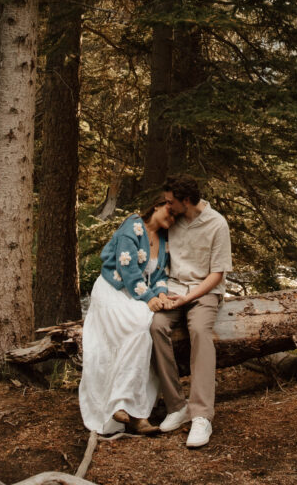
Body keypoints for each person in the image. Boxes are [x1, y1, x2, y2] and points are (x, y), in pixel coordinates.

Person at [79, 196, 174, 436]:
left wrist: (161, 293)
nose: (171, 219)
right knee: (139, 325)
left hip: (136, 295)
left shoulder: (163, 240)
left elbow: (160, 274)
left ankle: (132, 409)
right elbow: (128, 270)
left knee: (146, 328)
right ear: (156, 204)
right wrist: (149, 298)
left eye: (175, 217)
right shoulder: (132, 226)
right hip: (113, 291)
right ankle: (125, 407)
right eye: (169, 212)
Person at [151, 175, 232, 449]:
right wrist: (162, 291)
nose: (167, 205)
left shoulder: (217, 224)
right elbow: (158, 258)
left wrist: (188, 298)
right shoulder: (171, 220)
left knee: (199, 331)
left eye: (171, 201)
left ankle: (201, 416)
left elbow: (217, 274)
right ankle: (177, 406)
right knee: (155, 327)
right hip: (173, 289)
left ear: (186, 201)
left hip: (203, 291)